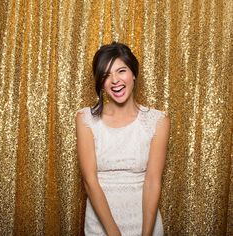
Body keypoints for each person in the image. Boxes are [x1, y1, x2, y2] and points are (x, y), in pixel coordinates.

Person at [76, 42, 170, 236]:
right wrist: (113, 233)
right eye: (106, 75)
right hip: (100, 226)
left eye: (121, 71)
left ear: (133, 73)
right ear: (100, 82)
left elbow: (153, 181)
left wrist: (146, 234)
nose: (115, 80)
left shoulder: (157, 121)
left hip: (145, 222)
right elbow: (89, 181)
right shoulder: (86, 119)